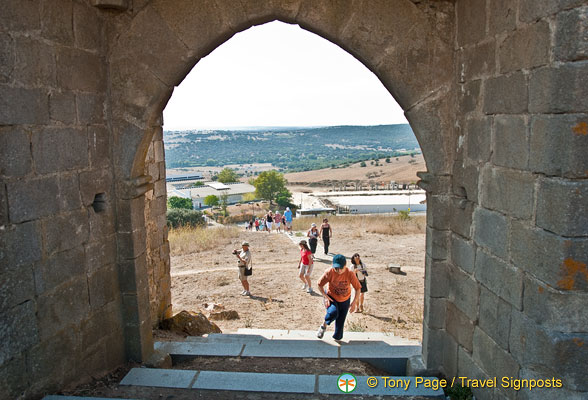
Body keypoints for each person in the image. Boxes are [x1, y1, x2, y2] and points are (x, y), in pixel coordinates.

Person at [316, 254, 361, 340]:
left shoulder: (350, 274)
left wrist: (354, 302)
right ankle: (323, 326)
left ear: (345, 265)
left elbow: (358, 289)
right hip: (331, 297)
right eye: (336, 268)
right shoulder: (329, 272)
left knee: (340, 324)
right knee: (333, 312)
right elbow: (319, 284)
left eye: (341, 268)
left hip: (345, 299)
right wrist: (325, 297)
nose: (339, 270)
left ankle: (337, 338)